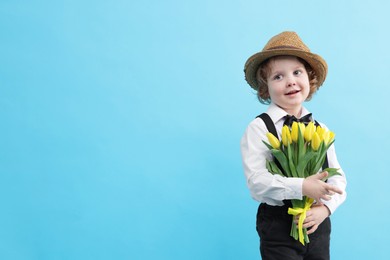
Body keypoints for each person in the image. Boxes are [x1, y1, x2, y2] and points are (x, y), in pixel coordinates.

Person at [240, 31, 347, 260]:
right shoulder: (259, 128)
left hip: (316, 223)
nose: (290, 81)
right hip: (278, 225)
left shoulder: (321, 130)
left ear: (310, 79)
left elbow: (338, 180)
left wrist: (325, 210)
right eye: (278, 77)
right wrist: (301, 187)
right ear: (265, 88)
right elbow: (256, 183)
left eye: (297, 72)